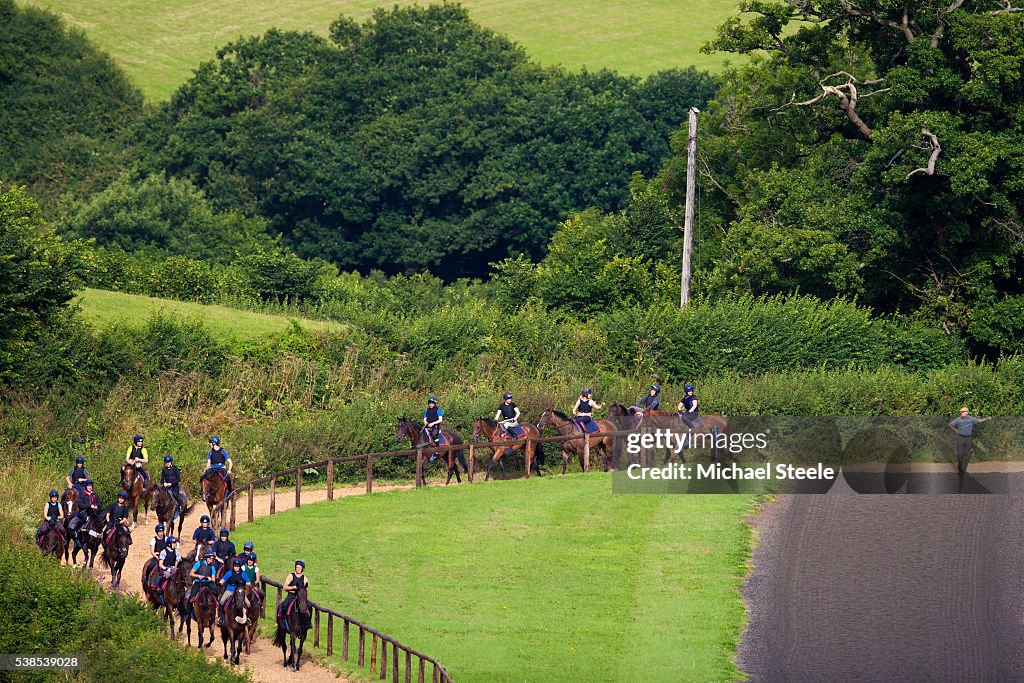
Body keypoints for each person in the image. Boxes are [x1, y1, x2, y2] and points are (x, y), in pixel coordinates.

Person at [949, 407, 993, 477]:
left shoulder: (971, 418)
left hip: (968, 438)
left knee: (967, 454)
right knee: (960, 454)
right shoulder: (958, 419)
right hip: (960, 437)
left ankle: (964, 469)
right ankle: (960, 468)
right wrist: (956, 431)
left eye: (963, 412)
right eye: (961, 412)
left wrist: (987, 418)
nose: (961, 413)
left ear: (967, 412)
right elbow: (950, 424)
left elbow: (979, 420)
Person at [217, 558, 252, 625]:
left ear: (240, 567)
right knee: (221, 601)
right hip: (230, 590)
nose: (236, 568)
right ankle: (221, 617)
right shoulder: (229, 573)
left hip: (239, 592)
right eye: (235, 566)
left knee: (248, 604)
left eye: (237, 566)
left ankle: (248, 618)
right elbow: (223, 580)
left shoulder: (243, 574)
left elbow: (249, 583)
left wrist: (243, 583)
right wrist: (220, 583)